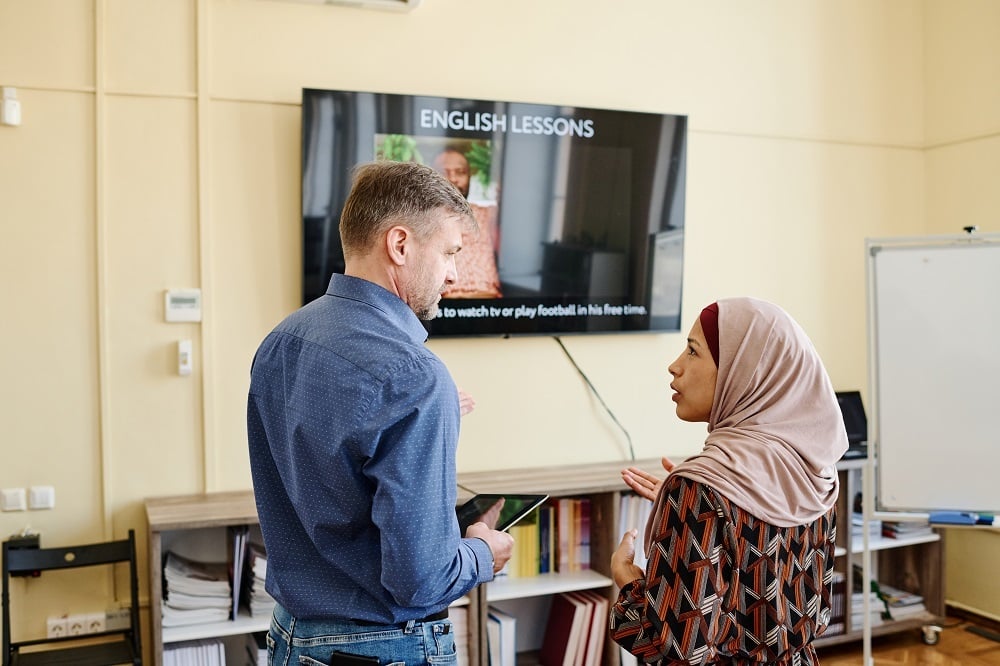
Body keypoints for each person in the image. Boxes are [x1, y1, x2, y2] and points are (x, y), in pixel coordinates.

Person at [247, 160, 514, 666]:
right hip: (380, 647)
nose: (455, 274)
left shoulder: (281, 340)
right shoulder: (415, 376)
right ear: (399, 245)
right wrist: (483, 553)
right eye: (451, 253)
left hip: (289, 636)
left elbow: (327, 462)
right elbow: (420, 581)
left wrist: (433, 418)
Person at [610, 297, 848, 665]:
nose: (674, 367)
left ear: (746, 370)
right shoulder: (816, 471)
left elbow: (677, 650)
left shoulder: (701, 490)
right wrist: (688, 515)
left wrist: (627, 581)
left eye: (692, 352)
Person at [432, 146, 503, 298]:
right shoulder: (419, 220)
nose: (453, 179)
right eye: (445, 172)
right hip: (444, 310)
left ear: (470, 177)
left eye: (460, 172)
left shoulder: (487, 214)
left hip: (490, 306)